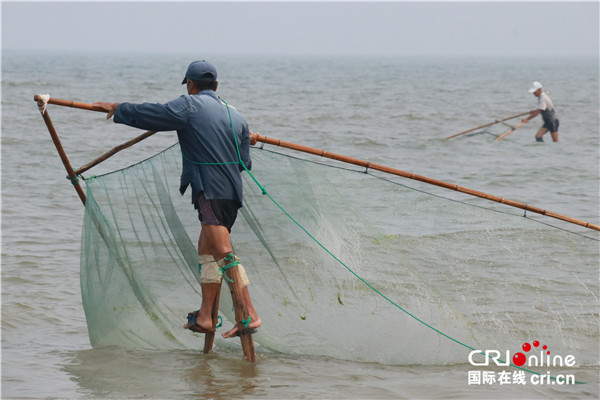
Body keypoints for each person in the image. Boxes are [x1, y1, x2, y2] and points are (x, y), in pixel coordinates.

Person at [94, 60, 261, 338]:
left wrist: (118, 108)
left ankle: (250, 314)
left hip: (210, 190)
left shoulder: (189, 106)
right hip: (232, 194)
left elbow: (156, 114)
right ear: (216, 86)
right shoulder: (237, 116)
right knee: (207, 252)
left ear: (191, 85)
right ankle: (206, 315)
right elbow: (243, 163)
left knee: (224, 254)